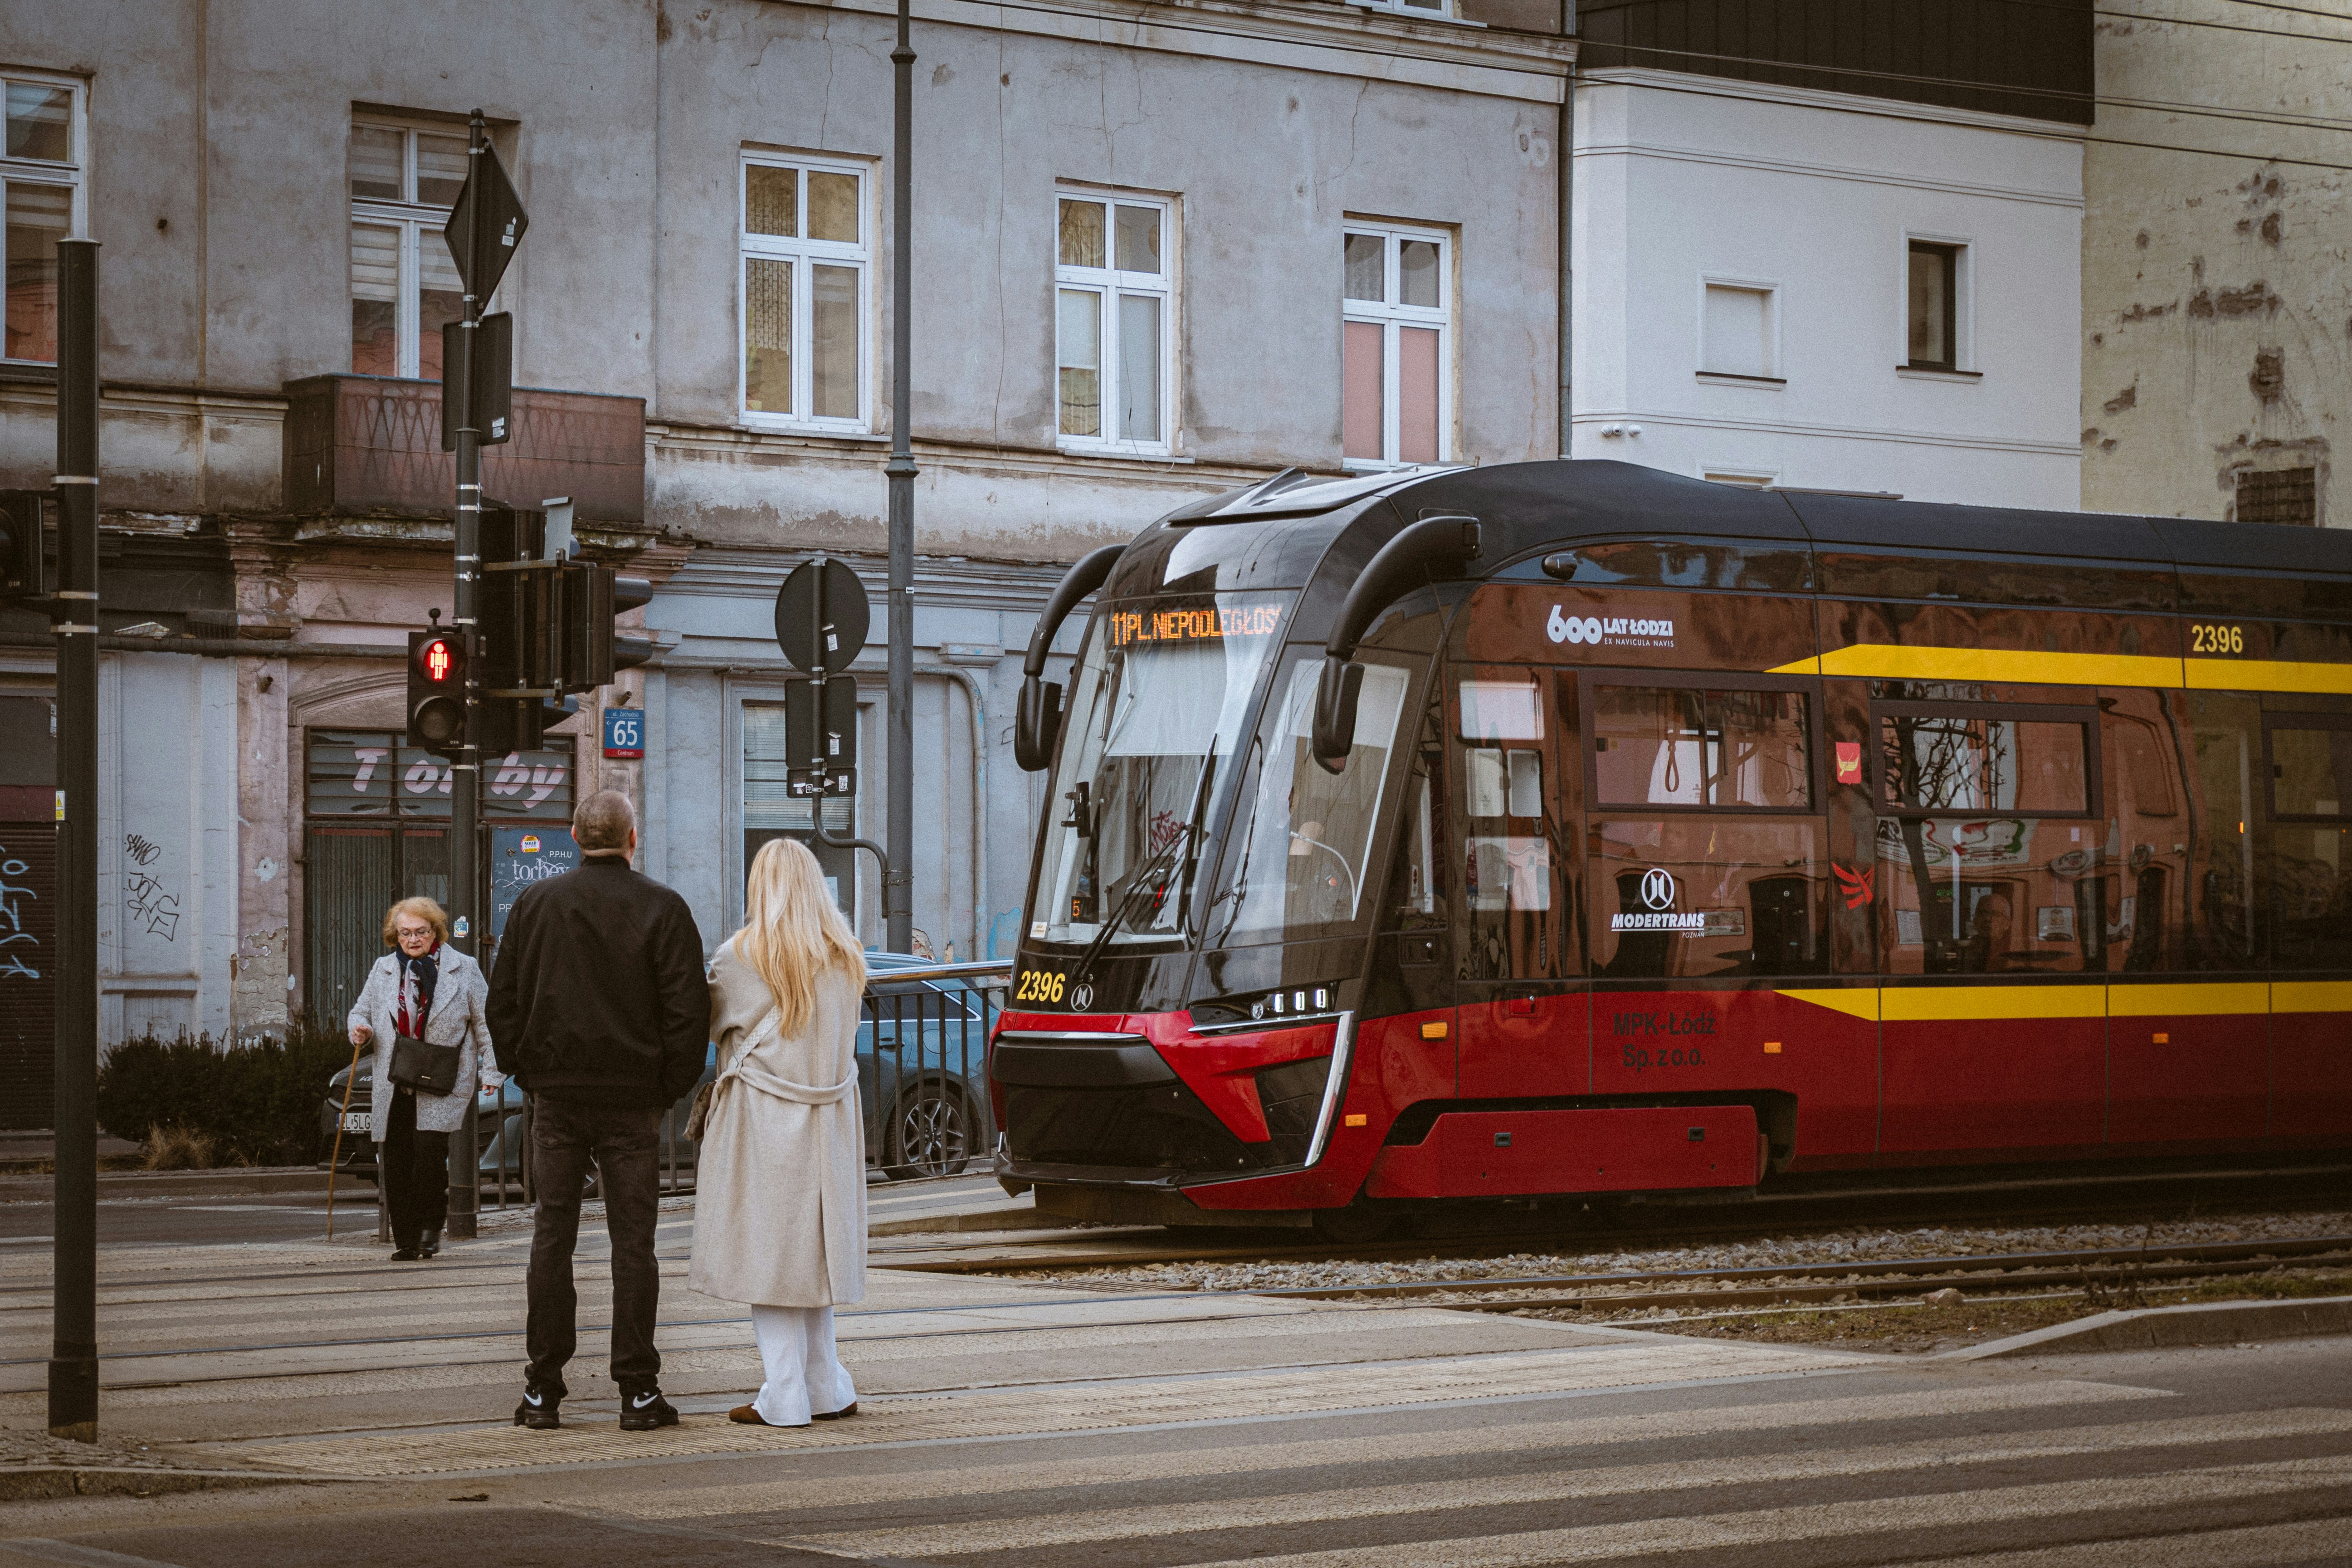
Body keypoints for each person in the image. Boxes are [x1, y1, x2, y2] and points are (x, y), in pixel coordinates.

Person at [487, 790, 708, 1432]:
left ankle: (542, 1391)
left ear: (574, 836)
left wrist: (530, 1073)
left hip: (555, 1097)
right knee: (633, 1245)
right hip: (632, 1102)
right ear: (632, 838)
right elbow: (687, 1012)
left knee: (551, 1237)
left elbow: (502, 1002)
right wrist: (665, 1086)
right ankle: (637, 1390)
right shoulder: (663, 907)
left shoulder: (535, 905)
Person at [695, 837, 869, 1428]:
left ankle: (785, 1393)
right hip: (831, 1118)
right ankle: (828, 1383)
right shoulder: (847, 955)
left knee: (768, 1258)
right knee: (813, 1256)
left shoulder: (740, 955)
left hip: (765, 1118)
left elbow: (715, 1024)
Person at [346, 897, 498, 1262]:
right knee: (396, 1161)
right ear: (394, 935)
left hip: (440, 1076)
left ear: (436, 932)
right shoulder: (384, 969)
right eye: (405, 933)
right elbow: (360, 1011)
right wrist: (359, 1029)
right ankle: (407, 1241)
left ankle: (432, 1225)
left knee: (428, 1157)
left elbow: (485, 1022)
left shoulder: (464, 968)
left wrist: (491, 1069)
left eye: (421, 932)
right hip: (395, 1075)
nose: (413, 939)